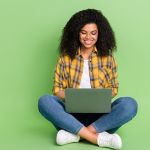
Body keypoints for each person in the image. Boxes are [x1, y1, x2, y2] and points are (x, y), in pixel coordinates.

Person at [38, 9, 138, 149]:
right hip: (71, 117)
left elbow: (114, 89)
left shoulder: (108, 58)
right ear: (76, 33)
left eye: (93, 33)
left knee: (129, 104)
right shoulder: (65, 58)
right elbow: (57, 90)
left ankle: (76, 135)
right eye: (83, 32)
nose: (88, 37)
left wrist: (96, 97)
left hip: (100, 120)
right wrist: (75, 98)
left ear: (100, 34)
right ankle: (98, 138)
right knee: (44, 101)